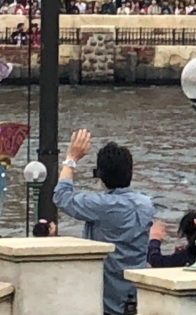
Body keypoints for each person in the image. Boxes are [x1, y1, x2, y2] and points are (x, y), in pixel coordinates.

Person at [54, 130, 153, 315]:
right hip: (137, 295)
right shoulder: (146, 204)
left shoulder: (101, 206)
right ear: (131, 171)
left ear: (101, 176)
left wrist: (71, 159)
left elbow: (61, 197)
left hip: (107, 301)